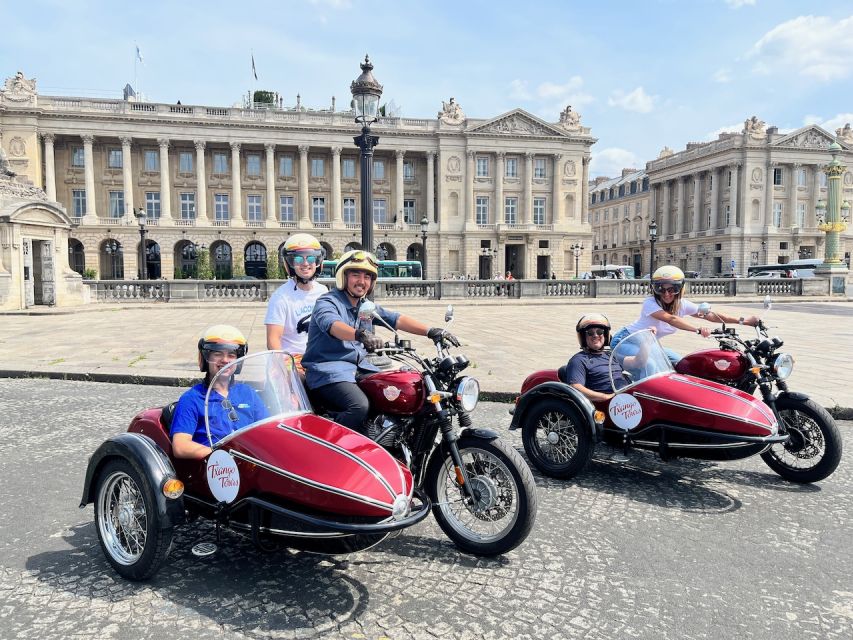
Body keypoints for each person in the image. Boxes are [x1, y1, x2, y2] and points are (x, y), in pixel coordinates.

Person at [302, 249, 459, 433]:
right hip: (327, 371)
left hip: (358, 369)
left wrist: (430, 331)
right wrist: (360, 335)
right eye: (355, 275)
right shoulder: (327, 302)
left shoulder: (365, 306)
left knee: (400, 392)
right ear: (343, 277)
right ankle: (332, 443)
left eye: (367, 276)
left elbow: (395, 319)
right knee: (358, 406)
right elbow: (333, 325)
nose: (362, 281)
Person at [610, 265, 760, 365]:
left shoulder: (682, 304)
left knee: (683, 363)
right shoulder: (650, 303)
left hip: (649, 344)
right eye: (661, 289)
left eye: (672, 289)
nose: (666, 294)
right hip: (626, 340)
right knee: (649, 365)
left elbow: (709, 315)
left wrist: (743, 321)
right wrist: (697, 330)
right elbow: (671, 319)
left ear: (680, 289)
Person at [170, 325, 268, 459]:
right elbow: (181, 446)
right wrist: (223, 457)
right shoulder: (192, 398)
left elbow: (268, 430)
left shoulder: (248, 393)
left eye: (231, 355)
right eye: (218, 354)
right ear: (205, 358)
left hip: (251, 462)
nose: (225, 360)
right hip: (216, 466)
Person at [264, 233, 328, 369]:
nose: (305, 263)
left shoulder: (323, 291)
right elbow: (273, 340)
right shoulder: (280, 297)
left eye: (311, 258)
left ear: (318, 262)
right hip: (292, 359)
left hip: (319, 358)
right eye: (298, 259)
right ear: (290, 264)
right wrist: (284, 367)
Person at [565, 314, 651, 402]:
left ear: (605, 335)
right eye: (590, 333)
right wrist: (605, 397)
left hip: (628, 398)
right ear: (584, 337)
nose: (595, 335)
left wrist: (646, 342)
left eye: (599, 332)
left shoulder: (611, 355)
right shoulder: (579, 360)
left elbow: (638, 362)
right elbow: (575, 387)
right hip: (609, 403)